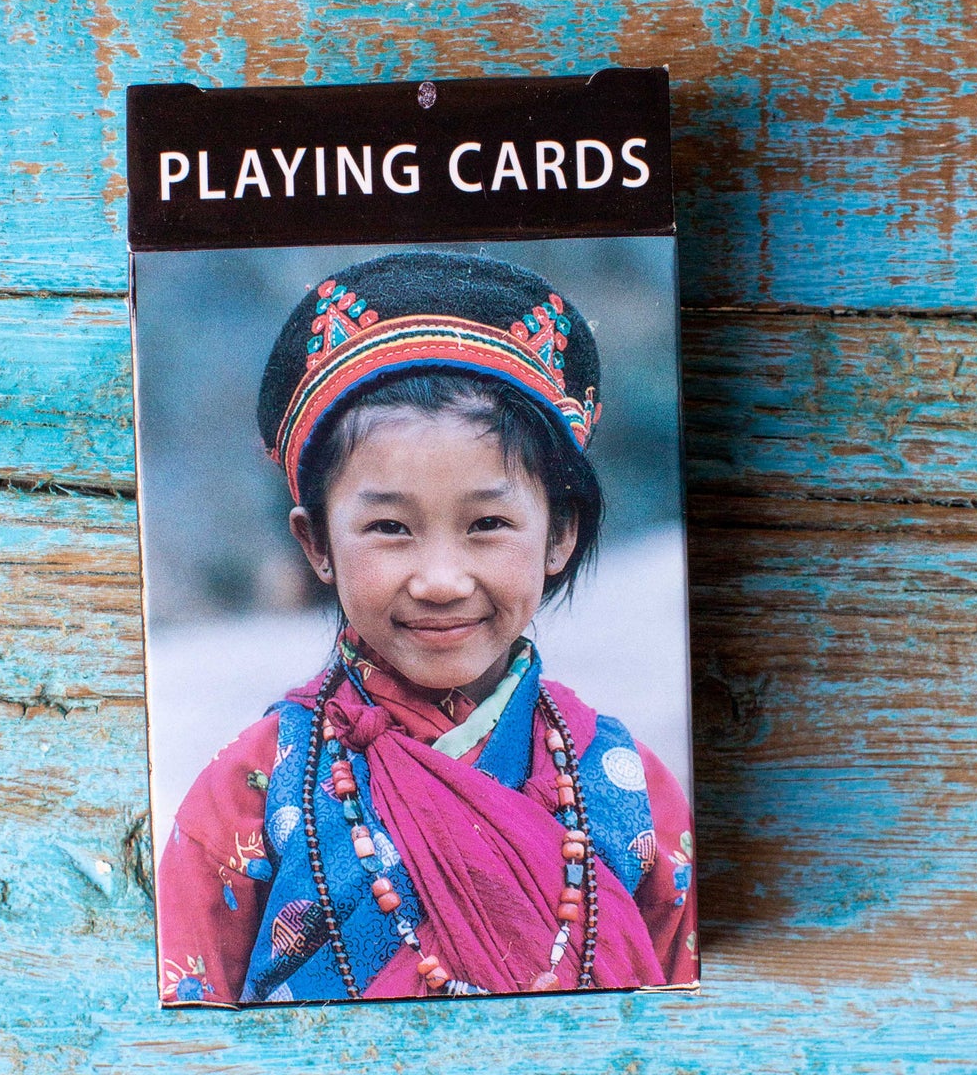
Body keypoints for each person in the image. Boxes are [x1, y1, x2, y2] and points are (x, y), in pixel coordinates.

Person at [155, 250, 698, 1004]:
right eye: (389, 527)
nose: (441, 580)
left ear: (559, 535)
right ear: (316, 544)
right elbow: (185, 1033)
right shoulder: (251, 794)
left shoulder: (624, 788)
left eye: (487, 523)